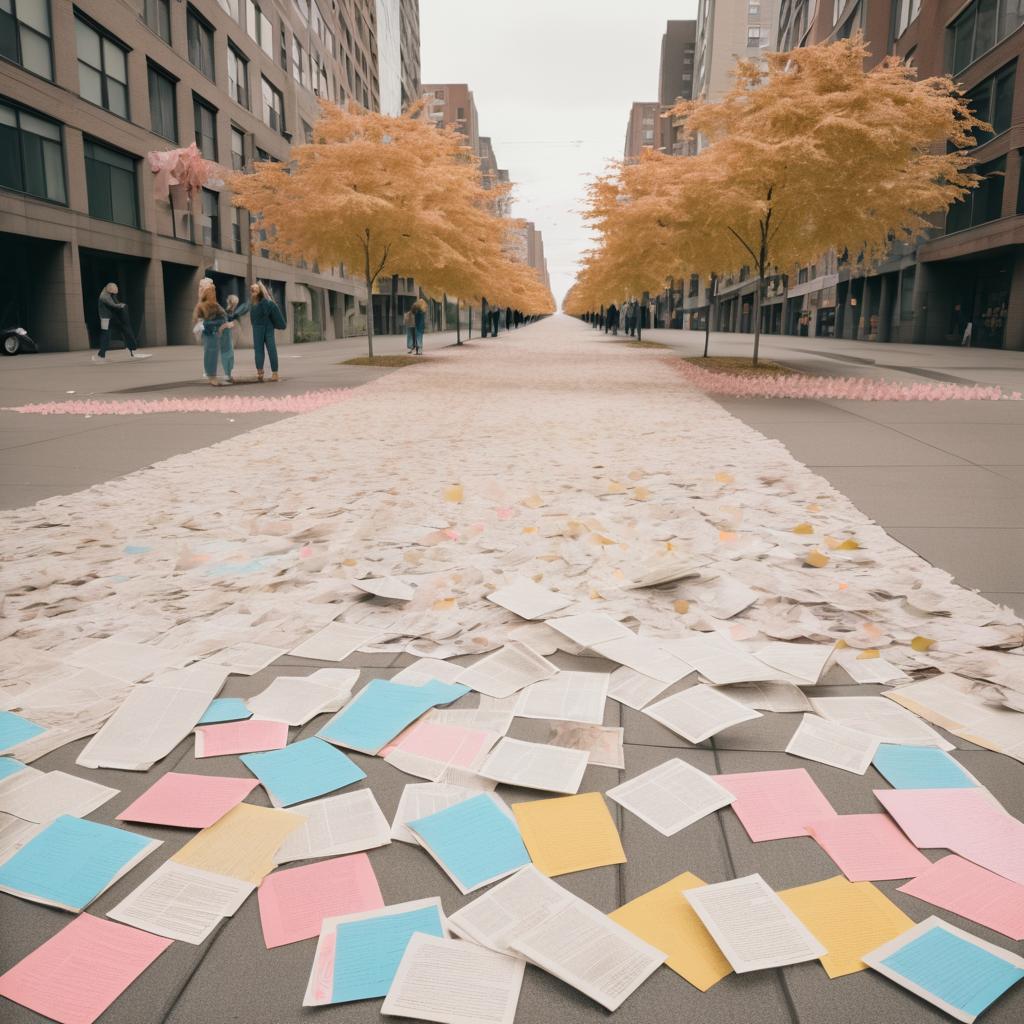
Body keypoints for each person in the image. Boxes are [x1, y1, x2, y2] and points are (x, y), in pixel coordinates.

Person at [249, 282, 285, 382]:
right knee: (272, 349)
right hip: (268, 327)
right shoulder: (268, 303)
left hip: (257, 329)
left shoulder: (253, 305)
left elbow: (252, 319)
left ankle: (260, 373)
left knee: (258, 350)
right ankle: (275, 373)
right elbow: (276, 312)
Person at [93, 283, 139, 362]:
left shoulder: (107, 293)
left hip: (110, 318)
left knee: (120, 331)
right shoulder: (104, 296)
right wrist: (121, 305)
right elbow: (113, 305)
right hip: (106, 319)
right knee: (106, 335)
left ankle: (102, 354)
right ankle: (101, 355)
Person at [193, 294, 231, 385]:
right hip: (209, 333)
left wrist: (207, 323)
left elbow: (222, 318)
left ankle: (213, 376)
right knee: (210, 353)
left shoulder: (216, 306)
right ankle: (211, 376)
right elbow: (198, 319)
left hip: (213, 332)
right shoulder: (202, 306)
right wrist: (206, 324)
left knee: (213, 353)